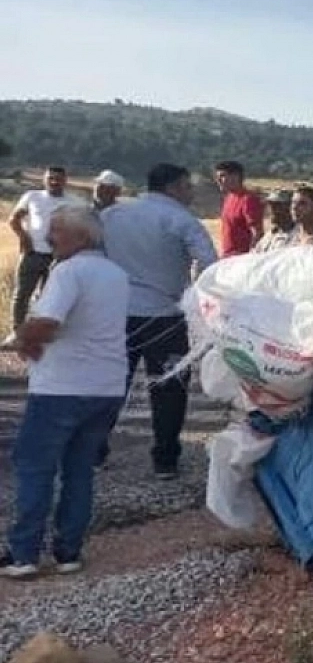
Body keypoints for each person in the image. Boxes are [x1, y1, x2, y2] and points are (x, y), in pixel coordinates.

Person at [2, 204, 131, 578]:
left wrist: (24, 339)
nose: (49, 237)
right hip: (106, 385)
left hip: (62, 387)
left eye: (56, 230)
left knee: (34, 468)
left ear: (81, 236)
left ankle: (24, 554)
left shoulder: (68, 272)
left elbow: (47, 322)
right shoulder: (116, 274)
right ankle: (68, 552)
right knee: (79, 470)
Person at [100, 163, 220, 479]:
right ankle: (165, 459)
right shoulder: (182, 220)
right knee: (169, 389)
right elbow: (210, 266)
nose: (191, 192)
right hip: (165, 317)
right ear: (174, 187)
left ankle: (94, 451)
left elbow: (94, 254)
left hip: (117, 313)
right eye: (188, 186)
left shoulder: (113, 215)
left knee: (109, 383)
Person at [6, 166, 85, 342]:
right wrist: (24, 238)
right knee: (22, 295)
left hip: (59, 258)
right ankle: (17, 333)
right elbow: (14, 219)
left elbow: (84, 228)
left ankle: (43, 334)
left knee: (50, 297)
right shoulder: (32, 197)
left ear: (65, 180)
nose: (54, 182)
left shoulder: (75, 203)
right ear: (44, 180)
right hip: (33, 254)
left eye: (58, 179)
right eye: (51, 178)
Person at [214, 159, 266, 257]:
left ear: (235, 176)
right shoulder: (229, 198)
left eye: (222, 176)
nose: (218, 181)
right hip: (228, 257)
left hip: (242, 259)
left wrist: (250, 257)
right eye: (217, 177)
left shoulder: (248, 200)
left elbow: (257, 233)